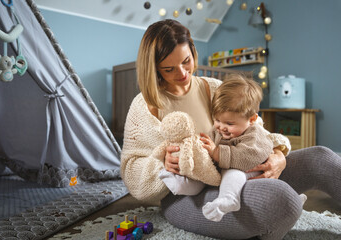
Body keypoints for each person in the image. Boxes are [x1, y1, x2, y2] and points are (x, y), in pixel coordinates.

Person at [121, 19, 341, 240]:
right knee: (282, 200)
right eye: (169, 69)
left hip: (240, 170)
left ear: (193, 52)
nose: (182, 73)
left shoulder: (214, 88)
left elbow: (255, 129)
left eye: (186, 61)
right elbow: (131, 169)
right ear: (154, 68)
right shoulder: (144, 106)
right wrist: (162, 164)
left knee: (322, 159)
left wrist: (277, 154)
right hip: (189, 195)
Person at [199, 75, 306, 222]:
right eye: (217, 120)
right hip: (244, 175)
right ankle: (293, 201)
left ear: (252, 120)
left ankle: (229, 199)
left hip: (253, 169)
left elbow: (246, 157)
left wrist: (216, 152)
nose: (221, 127)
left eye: (229, 123)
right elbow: (210, 142)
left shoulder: (255, 134)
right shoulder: (218, 130)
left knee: (232, 173)